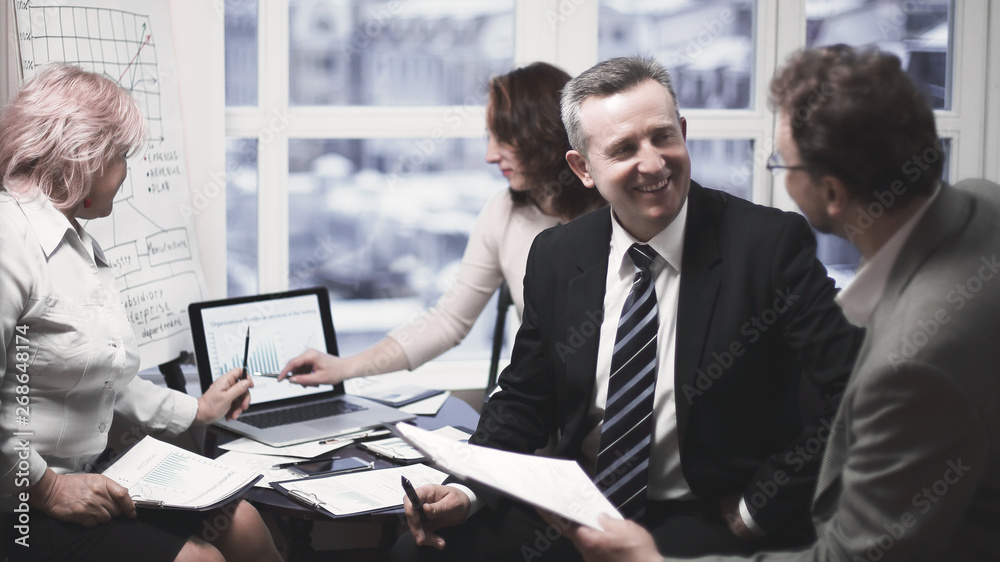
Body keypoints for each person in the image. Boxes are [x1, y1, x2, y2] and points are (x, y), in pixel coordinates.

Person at [397, 55, 863, 560]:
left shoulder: (768, 245)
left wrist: (758, 509)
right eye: (623, 149)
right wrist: (466, 488)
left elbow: (852, 392)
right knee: (419, 549)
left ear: (683, 132)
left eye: (663, 137)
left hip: (705, 514)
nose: (654, 163)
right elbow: (525, 398)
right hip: (579, 507)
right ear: (583, 168)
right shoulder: (558, 255)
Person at [561, 45, 1000, 561]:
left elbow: (853, 558)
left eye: (782, 162)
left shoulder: (908, 368)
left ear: (831, 193)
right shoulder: (982, 200)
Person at [0, 64, 282, 561]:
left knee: (243, 524)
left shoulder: (75, 243)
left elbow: (102, 374)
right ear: (85, 157)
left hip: (81, 478)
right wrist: (48, 490)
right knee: (201, 559)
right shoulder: (9, 238)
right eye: (121, 157)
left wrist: (199, 410)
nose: (125, 174)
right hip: (21, 503)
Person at [278, 62, 606, 386]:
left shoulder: (615, 209)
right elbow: (446, 321)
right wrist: (343, 368)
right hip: (550, 407)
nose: (490, 155)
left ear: (545, 133)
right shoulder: (503, 214)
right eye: (489, 137)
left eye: (504, 137)